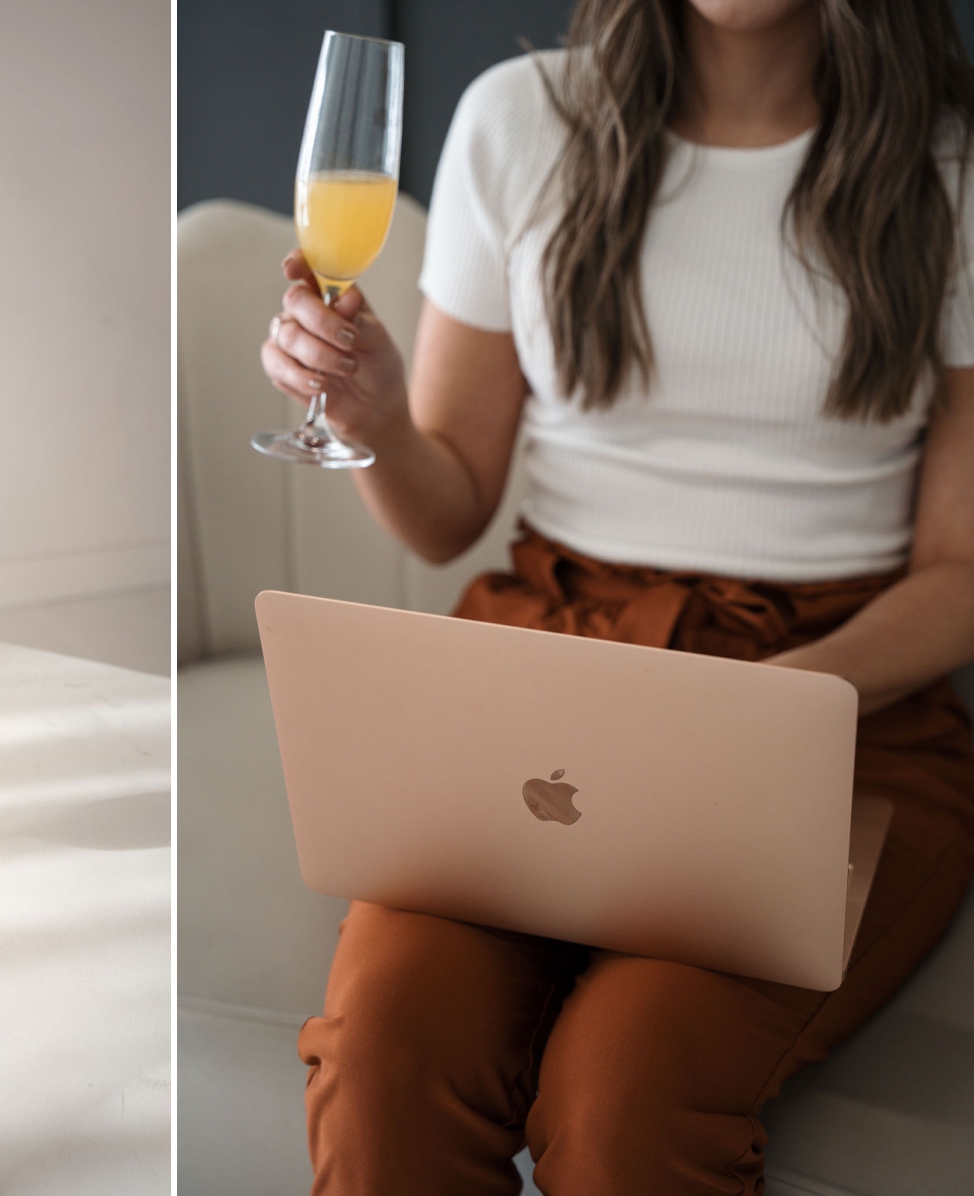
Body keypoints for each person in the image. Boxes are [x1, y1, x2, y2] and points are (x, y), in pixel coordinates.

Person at [259, 1, 974, 1192]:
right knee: (385, 1057)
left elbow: (961, 575)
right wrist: (376, 417)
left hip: (839, 690)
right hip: (549, 665)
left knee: (623, 1091)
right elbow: (447, 509)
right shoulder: (518, 121)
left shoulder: (950, 165)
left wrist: (762, 710)